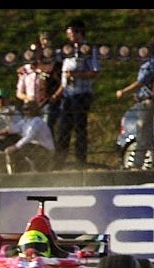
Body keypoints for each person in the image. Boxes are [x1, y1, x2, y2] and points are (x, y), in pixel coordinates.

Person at [51, 19, 100, 170]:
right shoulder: (67, 51)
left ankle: (80, 161)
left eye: (71, 33)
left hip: (81, 94)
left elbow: (95, 72)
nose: (69, 37)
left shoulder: (88, 50)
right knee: (64, 128)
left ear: (79, 32)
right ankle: (59, 162)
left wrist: (77, 74)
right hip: (68, 94)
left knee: (80, 128)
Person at [114, 44, 154, 170]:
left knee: (142, 132)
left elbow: (140, 82)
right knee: (150, 135)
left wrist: (123, 91)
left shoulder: (150, 65)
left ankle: (137, 163)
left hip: (148, 102)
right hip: (148, 102)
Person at [0, 101, 55, 173]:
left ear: (34, 110)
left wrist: (15, 147)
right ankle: (15, 170)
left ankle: (27, 169)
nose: (25, 111)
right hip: (34, 147)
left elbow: (29, 137)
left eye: (27, 109)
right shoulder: (26, 121)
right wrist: (9, 118)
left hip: (45, 150)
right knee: (11, 139)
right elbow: (13, 129)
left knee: (22, 147)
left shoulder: (37, 121)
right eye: (24, 109)